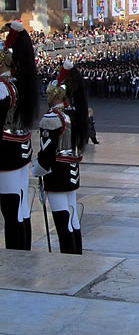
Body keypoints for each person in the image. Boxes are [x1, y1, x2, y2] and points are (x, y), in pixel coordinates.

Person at [33, 60, 89, 254]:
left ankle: (68, 255)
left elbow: (48, 151)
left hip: (56, 172)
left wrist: (37, 168)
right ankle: (76, 252)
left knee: (62, 218)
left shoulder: (52, 118)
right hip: (71, 170)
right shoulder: (72, 115)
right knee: (72, 217)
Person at [0, 22, 38, 251]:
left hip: (6, 154)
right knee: (21, 207)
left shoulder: (3, 88)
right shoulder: (18, 84)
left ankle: (16, 254)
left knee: (11, 208)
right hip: (20, 149)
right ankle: (24, 250)